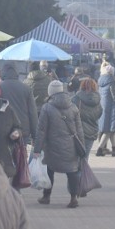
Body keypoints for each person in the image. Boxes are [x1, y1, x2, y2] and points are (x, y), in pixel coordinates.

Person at [33, 80, 84, 208]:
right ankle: (73, 198)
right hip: (71, 145)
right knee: (72, 172)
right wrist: (81, 147)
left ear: (50, 92)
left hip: (51, 146)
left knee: (49, 170)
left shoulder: (47, 107)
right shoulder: (73, 107)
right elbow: (79, 129)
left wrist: (37, 148)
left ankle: (46, 196)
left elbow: (41, 130)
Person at [0, 64, 37, 145]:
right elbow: (32, 113)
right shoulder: (26, 89)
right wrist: (35, 136)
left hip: (4, 130)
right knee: (22, 156)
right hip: (23, 131)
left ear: (3, 73)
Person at [72, 77, 102, 157]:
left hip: (78, 131)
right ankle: (84, 169)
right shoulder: (98, 100)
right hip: (92, 132)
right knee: (85, 157)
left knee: (75, 158)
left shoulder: (76, 98)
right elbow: (99, 114)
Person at [95, 63, 115, 157]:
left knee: (110, 130)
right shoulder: (111, 81)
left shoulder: (101, 80)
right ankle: (100, 149)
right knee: (108, 130)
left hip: (103, 106)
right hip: (111, 107)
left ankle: (114, 149)